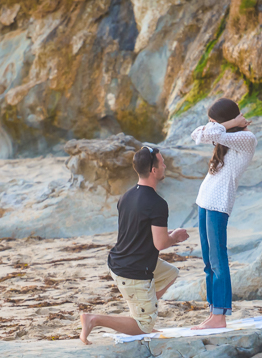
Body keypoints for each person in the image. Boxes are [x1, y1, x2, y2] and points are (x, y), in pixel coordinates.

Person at [80, 145, 189, 345]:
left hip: (121, 261)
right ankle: (95, 319)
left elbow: (141, 232)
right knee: (144, 327)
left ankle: (143, 310)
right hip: (133, 270)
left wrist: (168, 235)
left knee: (169, 274)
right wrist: (176, 237)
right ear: (154, 171)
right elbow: (161, 243)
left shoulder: (126, 196)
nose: (165, 166)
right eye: (162, 163)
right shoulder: (157, 203)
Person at [190, 98, 257, 330]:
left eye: (213, 120)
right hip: (204, 201)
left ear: (226, 119)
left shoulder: (247, 138)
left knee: (219, 260)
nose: (210, 124)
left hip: (219, 205)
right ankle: (213, 313)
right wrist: (227, 123)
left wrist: (227, 124)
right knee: (208, 262)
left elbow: (212, 134)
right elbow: (198, 134)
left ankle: (220, 316)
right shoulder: (224, 134)